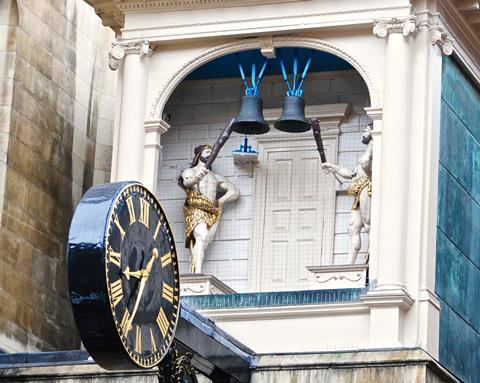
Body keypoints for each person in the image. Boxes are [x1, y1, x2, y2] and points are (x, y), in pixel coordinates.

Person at [179, 144, 240, 274]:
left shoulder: (216, 177)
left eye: (211, 152)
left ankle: (193, 265)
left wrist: (221, 201)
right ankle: (198, 273)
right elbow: (186, 183)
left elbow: (234, 191)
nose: (210, 154)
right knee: (202, 235)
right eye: (207, 152)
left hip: (212, 211)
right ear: (198, 155)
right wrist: (198, 177)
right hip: (196, 207)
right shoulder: (190, 172)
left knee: (205, 241)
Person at [321, 125, 373, 264]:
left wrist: (367, 157)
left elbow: (367, 167)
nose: (363, 132)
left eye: (367, 130)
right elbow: (352, 174)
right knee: (353, 227)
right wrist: (334, 168)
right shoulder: (367, 152)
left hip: (367, 188)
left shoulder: (375, 147)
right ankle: (349, 264)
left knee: (369, 225)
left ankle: (372, 259)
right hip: (358, 191)